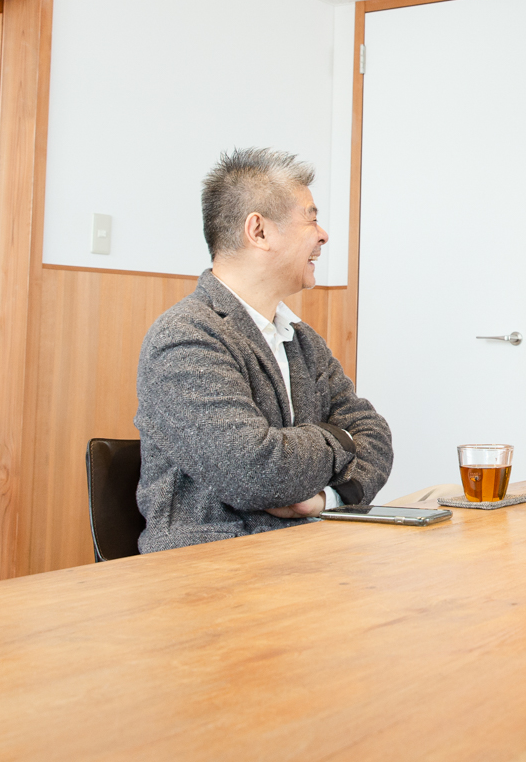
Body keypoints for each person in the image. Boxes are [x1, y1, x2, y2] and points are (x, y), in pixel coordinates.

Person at [135, 148, 393, 553]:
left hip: (308, 554)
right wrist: (340, 440)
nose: (323, 235)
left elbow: (375, 435)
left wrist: (326, 499)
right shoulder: (185, 337)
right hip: (210, 566)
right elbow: (253, 472)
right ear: (258, 231)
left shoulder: (302, 340)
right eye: (311, 218)